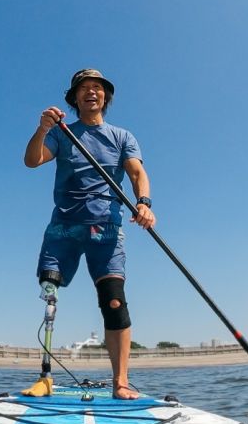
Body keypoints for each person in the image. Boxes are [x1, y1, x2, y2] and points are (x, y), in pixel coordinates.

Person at [22, 68, 155, 400]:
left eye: (97, 88)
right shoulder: (61, 132)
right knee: (49, 295)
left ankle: (120, 382)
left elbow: (138, 173)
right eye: (84, 89)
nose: (91, 92)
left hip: (106, 229)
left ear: (105, 97)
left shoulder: (122, 136)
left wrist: (143, 203)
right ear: (75, 98)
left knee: (114, 302)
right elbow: (32, 160)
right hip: (64, 226)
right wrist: (43, 129)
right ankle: (45, 376)